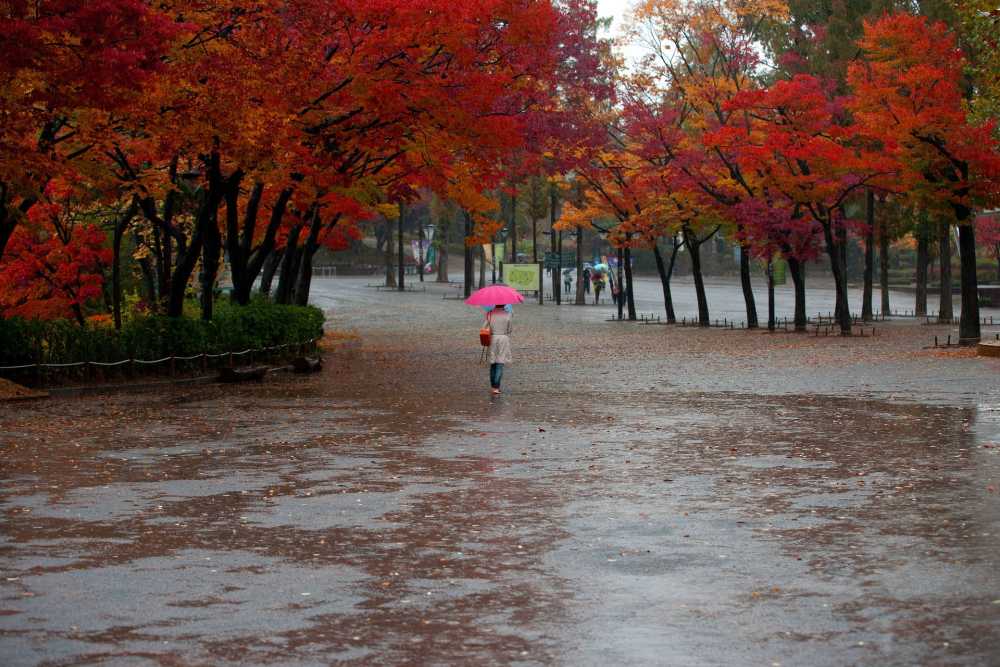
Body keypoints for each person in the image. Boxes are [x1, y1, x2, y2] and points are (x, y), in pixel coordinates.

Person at [484, 305, 512, 394]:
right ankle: (496, 387)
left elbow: (484, 328)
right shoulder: (508, 314)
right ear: (504, 304)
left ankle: (493, 386)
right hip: (503, 339)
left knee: (493, 363)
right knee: (500, 362)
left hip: (492, 338)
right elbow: (510, 329)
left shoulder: (490, 314)